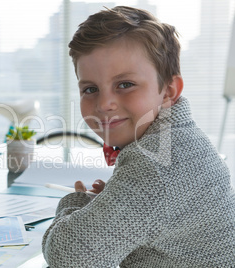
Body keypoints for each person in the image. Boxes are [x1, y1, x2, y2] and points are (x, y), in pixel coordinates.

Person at [42, 6, 235, 267]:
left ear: (168, 91)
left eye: (125, 84)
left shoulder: (155, 164)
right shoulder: (179, 139)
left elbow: (69, 258)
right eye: (90, 89)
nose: (104, 103)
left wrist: (74, 204)